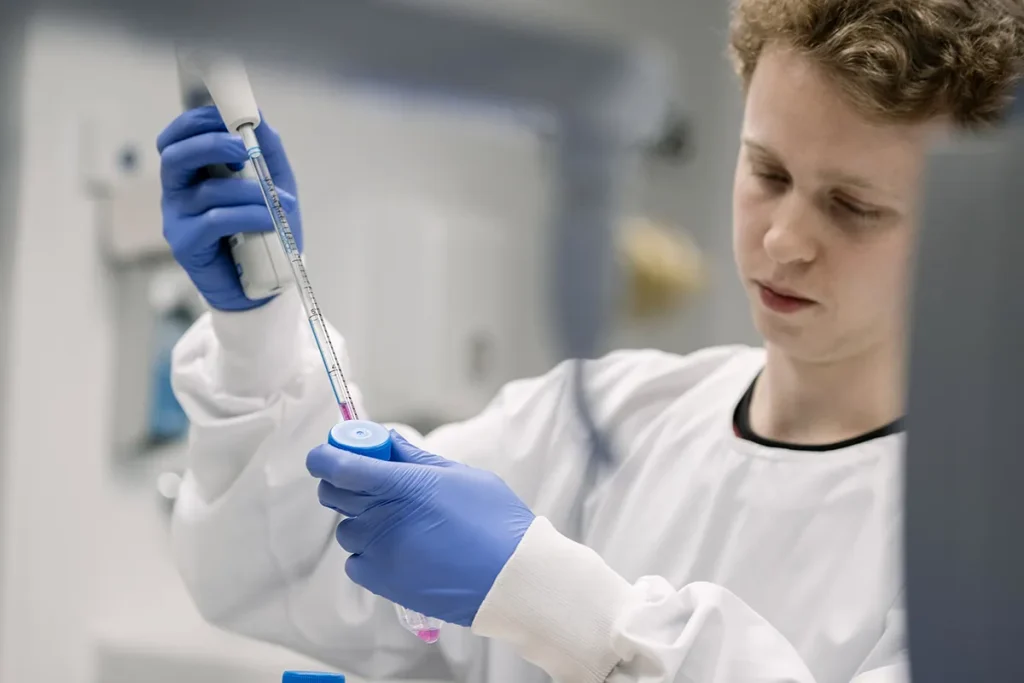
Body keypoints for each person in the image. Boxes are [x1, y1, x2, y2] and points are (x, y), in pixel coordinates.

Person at [160, 1, 1024, 682]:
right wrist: (261, 324)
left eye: (853, 206)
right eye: (768, 172)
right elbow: (284, 574)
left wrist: (554, 599)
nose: (783, 239)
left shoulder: (978, 540)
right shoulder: (606, 422)